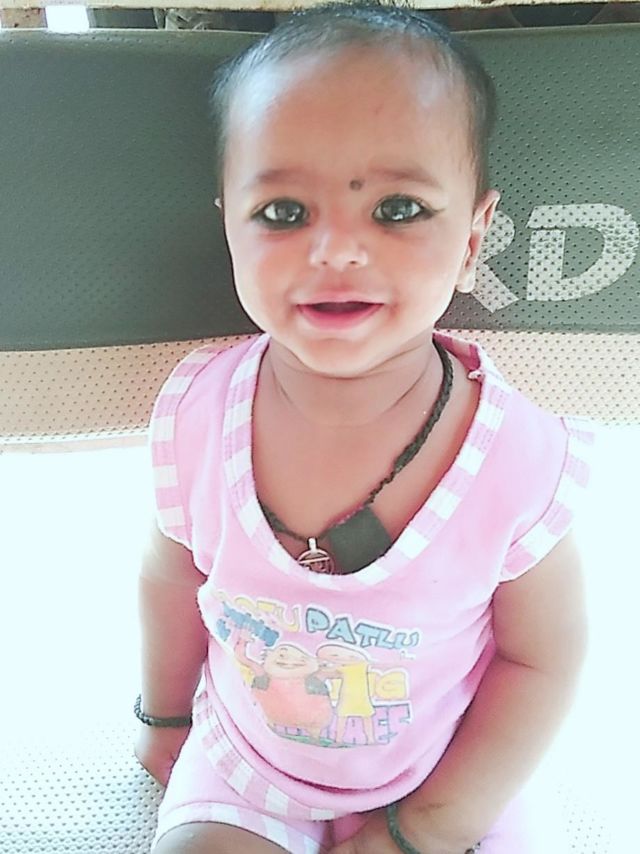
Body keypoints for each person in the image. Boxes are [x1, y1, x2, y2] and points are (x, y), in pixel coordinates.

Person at [134, 4, 593, 853]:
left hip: (448, 773)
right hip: (249, 764)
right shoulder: (197, 410)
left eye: (398, 208)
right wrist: (164, 714)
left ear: (473, 238)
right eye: (283, 213)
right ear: (228, 223)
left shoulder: (516, 455)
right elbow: (171, 579)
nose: (337, 251)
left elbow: (544, 659)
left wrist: (430, 826)